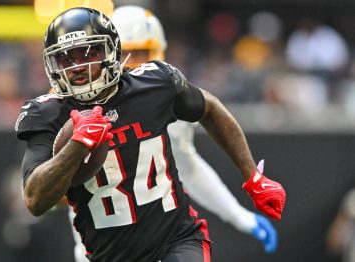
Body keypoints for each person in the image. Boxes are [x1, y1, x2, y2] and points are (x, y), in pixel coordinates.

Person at [15, 7, 286, 262]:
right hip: (103, 252)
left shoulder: (155, 85)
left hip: (177, 239)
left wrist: (252, 176)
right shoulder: (48, 114)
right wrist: (76, 147)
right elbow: (36, 200)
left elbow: (209, 109)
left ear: (111, 51)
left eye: (88, 54)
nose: (77, 67)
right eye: (66, 58)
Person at [112, 3, 278, 252]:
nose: (133, 64)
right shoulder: (79, 107)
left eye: (142, 54)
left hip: (156, 244)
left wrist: (238, 215)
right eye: (126, 53)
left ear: (159, 53)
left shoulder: (167, 98)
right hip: (99, 247)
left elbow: (187, 165)